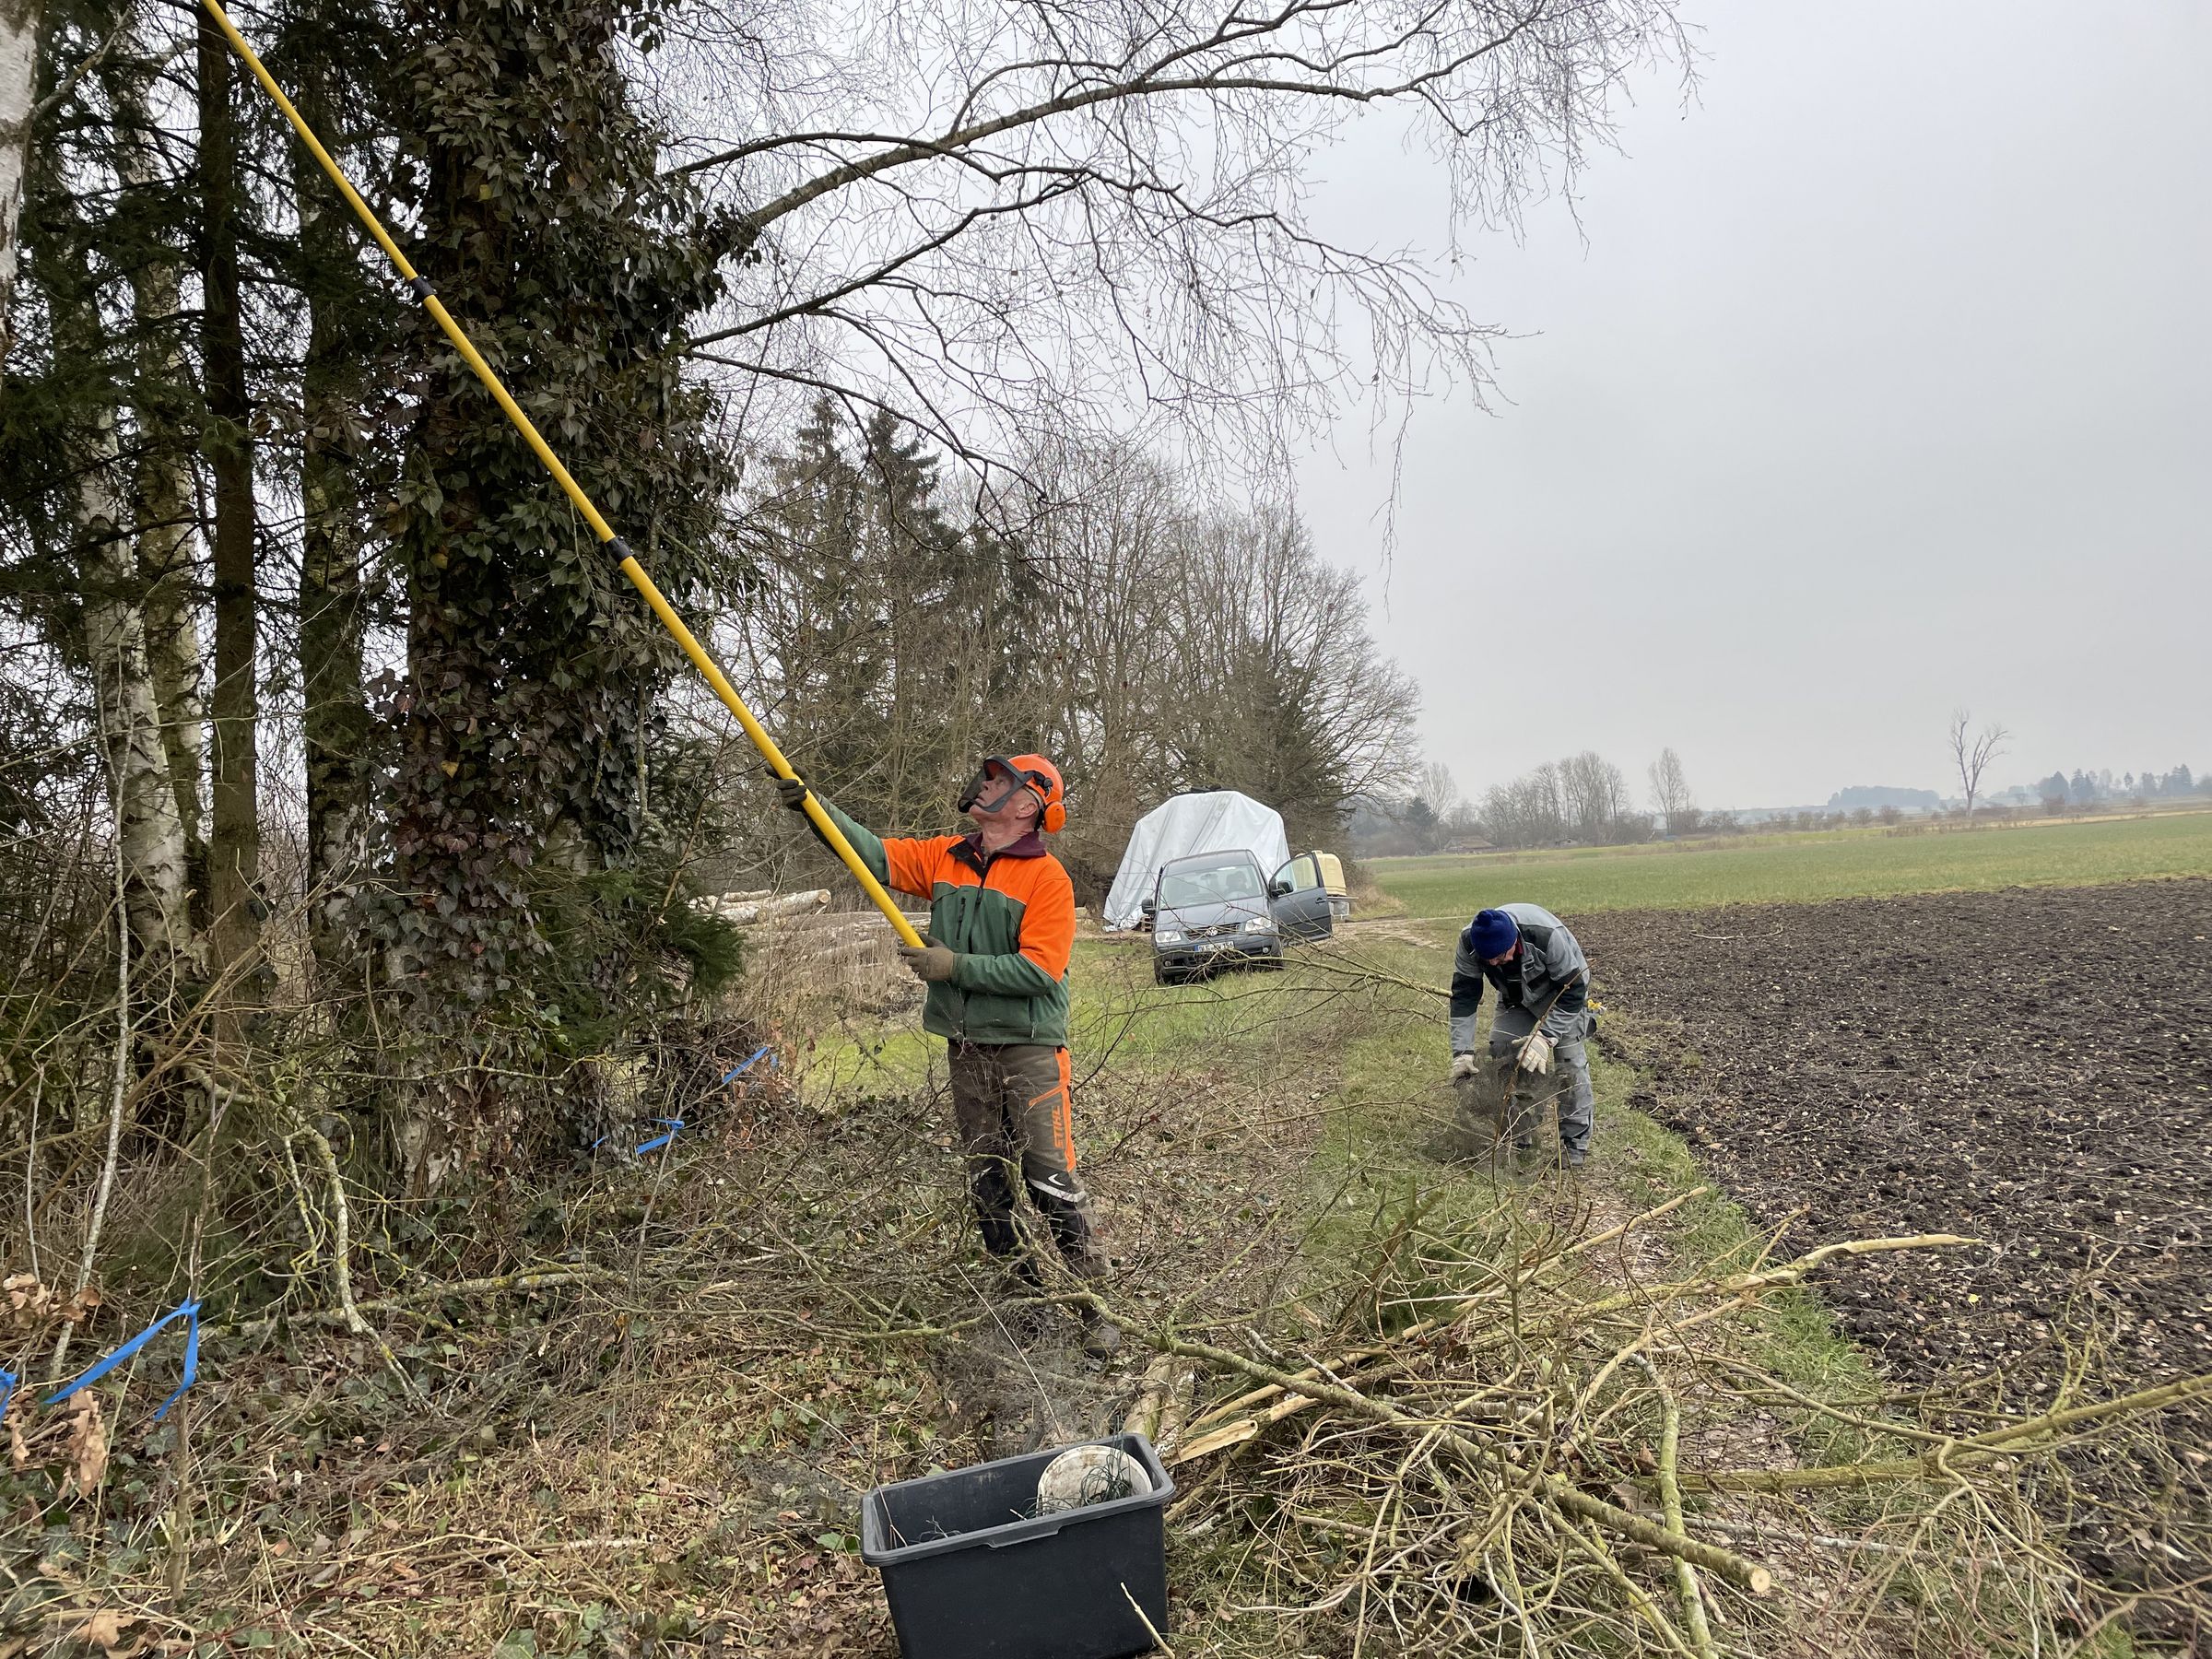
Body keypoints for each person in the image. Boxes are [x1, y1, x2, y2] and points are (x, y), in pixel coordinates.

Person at [776, 755, 1120, 1359]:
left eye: (999, 779)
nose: (984, 783)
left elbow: (1040, 971)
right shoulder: (944, 856)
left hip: (1029, 1048)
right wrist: (812, 806)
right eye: (987, 776)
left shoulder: (1048, 881)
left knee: (1050, 1180)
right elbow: (873, 855)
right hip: (967, 1047)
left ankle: (1097, 1308)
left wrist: (952, 966)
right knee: (988, 1181)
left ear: (1027, 804)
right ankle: (1026, 1300)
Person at [1445, 904, 1594, 1168]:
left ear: (1514, 940)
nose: (1493, 963)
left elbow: (1574, 991)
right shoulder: (1469, 942)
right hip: (1515, 999)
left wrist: (1545, 1037)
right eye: (1487, 959)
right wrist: (1462, 1052)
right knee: (1504, 1049)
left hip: (1561, 996)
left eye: (1500, 957)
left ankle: (1574, 1143)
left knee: (1570, 1066)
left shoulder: (1545, 936)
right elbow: (1464, 997)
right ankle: (1522, 1132)